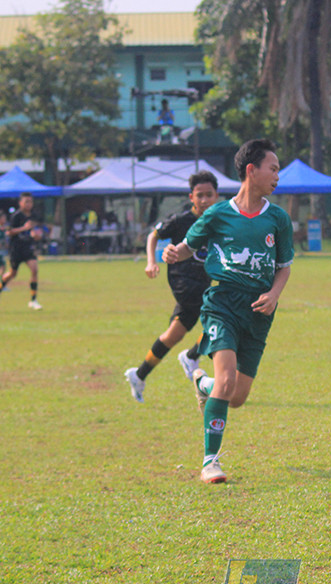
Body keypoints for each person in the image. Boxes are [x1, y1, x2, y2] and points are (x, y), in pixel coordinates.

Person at [162, 138, 294, 484]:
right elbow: (189, 247)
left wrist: (274, 295)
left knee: (236, 398)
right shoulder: (218, 214)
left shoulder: (278, 219)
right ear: (252, 170)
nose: (277, 176)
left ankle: (200, 383)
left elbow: (283, 267)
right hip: (222, 303)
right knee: (227, 379)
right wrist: (174, 253)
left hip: (259, 311)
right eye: (273, 168)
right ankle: (210, 462)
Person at [124, 170, 220, 403]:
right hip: (183, 281)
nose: (205, 200)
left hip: (202, 281)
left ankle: (139, 374)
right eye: (200, 195)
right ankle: (191, 356)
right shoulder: (181, 221)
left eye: (209, 195)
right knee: (223, 314)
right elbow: (153, 235)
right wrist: (151, 262)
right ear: (191, 198)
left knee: (173, 335)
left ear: (217, 196)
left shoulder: (219, 222)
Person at [0, 192, 42, 310]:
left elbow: (35, 231)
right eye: (26, 202)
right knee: (12, 274)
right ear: (20, 203)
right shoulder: (16, 216)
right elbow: (9, 232)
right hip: (16, 249)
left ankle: (33, 300)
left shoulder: (34, 216)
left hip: (28, 247)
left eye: (30, 201)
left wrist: (36, 235)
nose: (29, 204)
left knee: (34, 270)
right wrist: (23, 228)